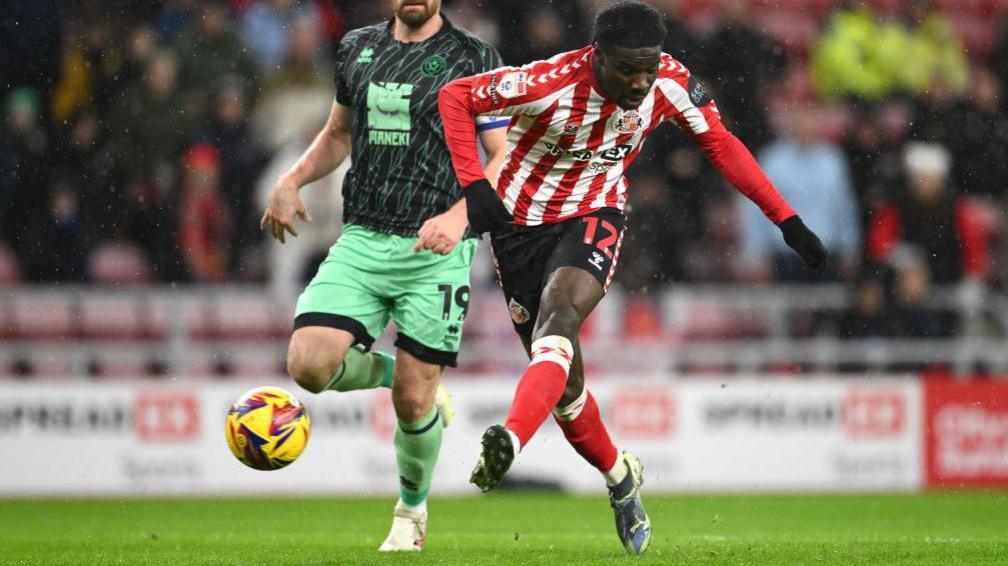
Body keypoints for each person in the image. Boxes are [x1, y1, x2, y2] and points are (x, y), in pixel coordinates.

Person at [437, 0, 826, 554]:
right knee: (567, 390)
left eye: (649, 66)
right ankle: (621, 478)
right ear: (599, 56)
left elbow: (720, 143)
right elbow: (455, 96)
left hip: (595, 215)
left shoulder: (668, 80)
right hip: (518, 228)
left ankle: (510, 437)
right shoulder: (546, 81)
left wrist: (786, 219)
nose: (642, 81)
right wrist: (475, 184)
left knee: (560, 318)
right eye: (629, 69)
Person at [259, 0, 508, 552]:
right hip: (364, 237)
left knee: (413, 404)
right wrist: (292, 179)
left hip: (437, 248)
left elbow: (501, 155)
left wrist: (460, 215)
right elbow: (338, 133)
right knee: (308, 364)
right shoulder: (356, 47)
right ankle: (404, 375)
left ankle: (410, 514)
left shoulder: (474, 56)